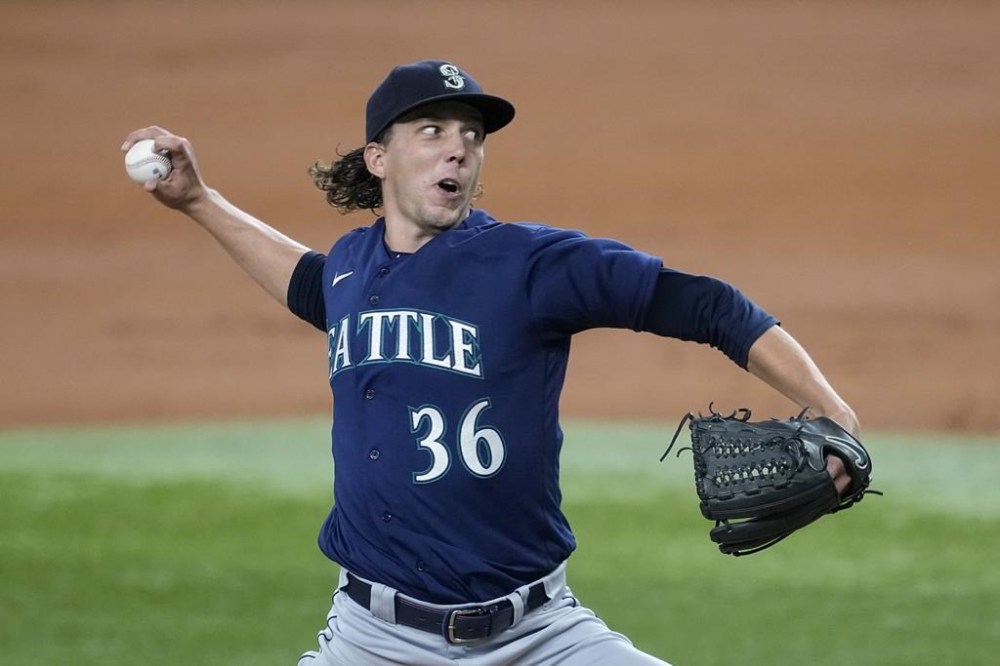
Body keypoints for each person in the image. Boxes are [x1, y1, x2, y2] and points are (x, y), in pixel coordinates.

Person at [122, 60, 857, 665]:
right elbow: (310, 285)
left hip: (539, 637)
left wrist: (834, 410)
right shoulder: (350, 268)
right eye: (432, 130)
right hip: (371, 641)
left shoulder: (531, 263)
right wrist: (199, 201)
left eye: (472, 136)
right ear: (379, 157)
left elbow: (709, 306)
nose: (458, 149)